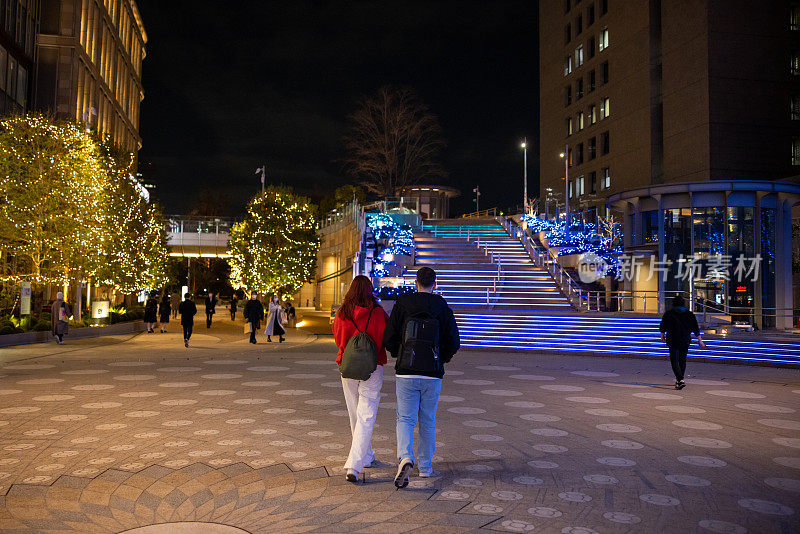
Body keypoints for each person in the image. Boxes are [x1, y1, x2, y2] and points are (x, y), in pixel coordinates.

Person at [384, 267, 460, 488]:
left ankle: (405, 458)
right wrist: (441, 359)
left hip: (406, 371)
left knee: (405, 419)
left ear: (415, 283)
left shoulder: (403, 304)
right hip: (432, 373)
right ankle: (425, 467)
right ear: (434, 284)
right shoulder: (442, 308)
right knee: (428, 420)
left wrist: (399, 353)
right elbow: (453, 342)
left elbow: (389, 336)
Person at [332, 276, 390, 483]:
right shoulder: (378, 313)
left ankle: (366, 456)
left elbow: (338, 339)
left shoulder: (342, 313)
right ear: (370, 289)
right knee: (366, 415)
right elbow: (387, 339)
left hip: (347, 367)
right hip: (373, 368)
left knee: (354, 413)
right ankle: (354, 465)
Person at [660, 295, 706, 390]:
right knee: (682, 360)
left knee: (674, 360)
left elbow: (663, 325)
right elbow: (695, 328)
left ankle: (679, 379)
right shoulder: (689, 314)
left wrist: (662, 335)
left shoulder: (668, 314)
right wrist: (700, 340)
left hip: (672, 339)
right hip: (684, 339)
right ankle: (679, 380)